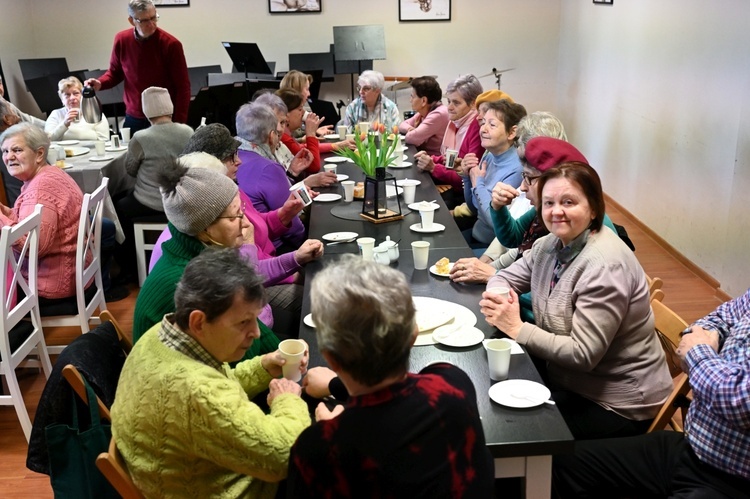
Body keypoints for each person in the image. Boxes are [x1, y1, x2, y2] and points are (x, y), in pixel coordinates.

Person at [481, 161, 672, 439]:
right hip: (569, 381)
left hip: (617, 403)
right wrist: (502, 298)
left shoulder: (604, 266)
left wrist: (517, 327)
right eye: (549, 203)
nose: (556, 211)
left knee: (513, 428)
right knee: (492, 401)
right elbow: (504, 277)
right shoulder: (550, 244)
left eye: (568, 202)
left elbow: (583, 354)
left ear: (594, 208)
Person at [287, 255, 494, 497]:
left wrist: (330, 432)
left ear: (329, 357)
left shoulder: (316, 450)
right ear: (413, 336)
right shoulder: (452, 385)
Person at [113, 248, 311, 498]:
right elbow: (286, 457)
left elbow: (218, 386)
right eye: (243, 322)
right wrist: (287, 399)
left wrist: (263, 366)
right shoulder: (198, 393)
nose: (256, 333)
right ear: (198, 322)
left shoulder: (160, 336)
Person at [553, 289, 750, 498]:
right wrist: (709, 343)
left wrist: (698, 353)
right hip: (692, 449)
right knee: (561, 465)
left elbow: (739, 401)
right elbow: (718, 318)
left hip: (734, 481)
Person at [132, 156, 313, 351]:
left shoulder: (206, 252)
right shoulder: (194, 282)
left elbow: (253, 330)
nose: (245, 223)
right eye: (235, 216)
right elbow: (242, 349)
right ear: (205, 228)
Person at [114, 86, 193, 280]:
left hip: (150, 201)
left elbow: (130, 170)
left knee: (118, 208)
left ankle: (130, 267)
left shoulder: (141, 137)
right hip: (181, 198)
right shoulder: (188, 131)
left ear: (146, 111)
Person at [0, 123, 84, 304]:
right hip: (72, 273)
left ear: (39, 154)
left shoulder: (40, 189)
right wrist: (4, 212)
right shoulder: (50, 173)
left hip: (52, 285)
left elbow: (33, 247)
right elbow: (29, 220)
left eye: (16, 150)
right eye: (5, 151)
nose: (9, 157)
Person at [85, 0, 190, 134]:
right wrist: (100, 83)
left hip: (162, 117)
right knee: (132, 154)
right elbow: (115, 72)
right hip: (134, 116)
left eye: (154, 17)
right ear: (131, 20)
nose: (152, 24)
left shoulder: (171, 44)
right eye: (145, 20)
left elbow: (183, 87)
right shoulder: (122, 39)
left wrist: (179, 124)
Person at [235, 102, 319, 252]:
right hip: (275, 250)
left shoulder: (233, 159)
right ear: (272, 136)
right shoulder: (268, 168)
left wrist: (291, 173)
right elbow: (293, 228)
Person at [462, 99, 526, 249]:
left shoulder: (517, 169)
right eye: (483, 122)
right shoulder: (489, 154)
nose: (483, 129)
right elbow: (474, 208)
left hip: (492, 246)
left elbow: (494, 220)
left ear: (512, 132)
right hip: (476, 232)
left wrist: (478, 183)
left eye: (492, 125)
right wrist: (467, 176)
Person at [414, 75, 486, 208]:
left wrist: (434, 168)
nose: (450, 107)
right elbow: (451, 160)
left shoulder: (476, 127)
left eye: (456, 103)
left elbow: (466, 178)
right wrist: (432, 159)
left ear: (472, 104)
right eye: (449, 101)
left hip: (464, 198)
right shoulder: (456, 122)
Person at [44, 76, 110, 141]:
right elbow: (47, 140)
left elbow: (105, 140)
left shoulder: (94, 112)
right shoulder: (56, 114)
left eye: (76, 93)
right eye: (67, 95)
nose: (72, 98)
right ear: (62, 99)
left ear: (82, 96)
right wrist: (64, 124)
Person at [397, 76, 449, 156]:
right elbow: (402, 125)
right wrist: (411, 129)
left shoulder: (438, 114)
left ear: (424, 101)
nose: (410, 100)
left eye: (412, 97)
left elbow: (410, 138)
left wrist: (414, 132)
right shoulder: (425, 112)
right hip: (423, 157)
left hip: (435, 162)